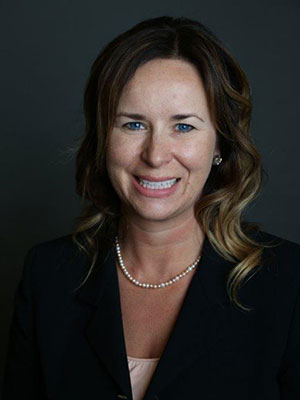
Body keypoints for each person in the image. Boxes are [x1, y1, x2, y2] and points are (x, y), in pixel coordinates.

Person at [2, 15, 300, 400]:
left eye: (184, 126)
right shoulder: (47, 278)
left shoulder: (289, 285)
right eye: (133, 125)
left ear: (220, 145)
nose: (156, 155)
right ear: (101, 140)